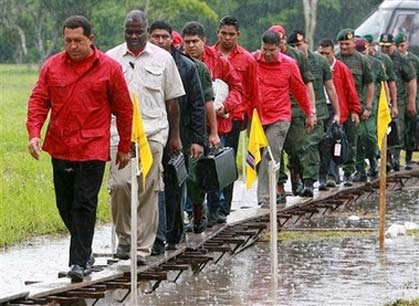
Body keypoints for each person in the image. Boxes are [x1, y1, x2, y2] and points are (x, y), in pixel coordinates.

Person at [26, 15, 133, 282]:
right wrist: (34, 134)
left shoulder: (109, 68)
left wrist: (124, 146)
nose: (72, 46)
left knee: (84, 203)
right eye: (68, 41)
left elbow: (124, 109)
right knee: (65, 204)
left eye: (78, 41)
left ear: (91, 40)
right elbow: (39, 101)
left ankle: (78, 262)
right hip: (61, 145)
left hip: (93, 147)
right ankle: (84, 250)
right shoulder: (52, 67)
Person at [106, 10, 185, 263]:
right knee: (120, 185)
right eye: (129, 31)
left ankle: (142, 247)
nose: (134, 36)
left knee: (147, 189)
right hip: (120, 133)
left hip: (153, 132)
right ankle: (126, 238)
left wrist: (175, 136)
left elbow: (172, 101)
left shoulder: (163, 59)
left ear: (146, 30)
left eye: (138, 31)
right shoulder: (111, 58)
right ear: (123, 30)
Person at [147, 20, 207, 253]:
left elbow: (197, 105)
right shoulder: (142, 63)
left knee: (173, 184)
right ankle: (156, 237)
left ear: (172, 39)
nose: (160, 41)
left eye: (165, 37)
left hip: (179, 134)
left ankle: (173, 232)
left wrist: (197, 140)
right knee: (152, 187)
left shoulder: (186, 67)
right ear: (149, 37)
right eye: (156, 37)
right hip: (150, 133)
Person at [182, 21, 243, 227]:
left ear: (204, 41)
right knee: (192, 173)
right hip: (190, 127)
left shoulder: (219, 61)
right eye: (187, 42)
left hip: (217, 124)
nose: (191, 46)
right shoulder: (179, 63)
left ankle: (217, 208)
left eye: (195, 41)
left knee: (214, 170)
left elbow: (237, 89)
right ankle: (194, 213)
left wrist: (226, 107)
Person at [253, 30, 315, 208]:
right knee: (257, 155)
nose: (268, 54)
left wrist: (309, 113)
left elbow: (300, 91)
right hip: (257, 117)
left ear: (280, 47)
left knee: (270, 154)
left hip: (279, 116)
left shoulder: (289, 64)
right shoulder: (253, 61)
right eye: (265, 49)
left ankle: (266, 196)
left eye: (272, 50)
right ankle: (267, 190)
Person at [212, 16, 259, 218]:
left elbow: (252, 91)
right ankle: (210, 205)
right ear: (218, 33)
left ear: (238, 35)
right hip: (211, 116)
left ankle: (224, 207)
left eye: (232, 34)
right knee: (211, 161)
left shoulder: (247, 59)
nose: (228, 38)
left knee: (228, 161)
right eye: (224, 33)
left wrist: (251, 120)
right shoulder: (209, 55)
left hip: (235, 117)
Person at [288, 30, 340, 196]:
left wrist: (337, 112)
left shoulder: (319, 61)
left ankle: (310, 181)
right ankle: (298, 176)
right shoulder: (288, 61)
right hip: (295, 112)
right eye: (294, 45)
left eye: (300, 44)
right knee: (296, 150)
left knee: (312, 145)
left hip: (318, 110)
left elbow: (330, 87)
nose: (298, 48)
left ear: (307, 43)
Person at [317, 39, 361, 188]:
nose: (324, 57)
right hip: (320, 108)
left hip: (337, 109)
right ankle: (324, 175)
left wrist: (355, 110)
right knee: (322, 142)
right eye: (321, 53)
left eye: (327, 53)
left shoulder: (341, 68)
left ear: (332, 52)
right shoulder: (315, 66)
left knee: (335, 140)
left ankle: (336, 174)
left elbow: (350, 90)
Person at [335, 28, 374, 186]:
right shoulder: (335, 59)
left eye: (347, 43)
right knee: (334, 140)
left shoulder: (362, 60)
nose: (344, 47)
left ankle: (349, 172)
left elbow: (369, 84)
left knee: (353, 140)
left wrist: (368, 106)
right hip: (337, 106)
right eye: (342, 44)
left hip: (354, 107)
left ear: (353, 43)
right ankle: (334, 172)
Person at [379, 33, 417, 171]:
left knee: (397, 129)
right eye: (382, 46)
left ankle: (395, 157)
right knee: (384, 129)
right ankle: (386, 158)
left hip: (399, 99)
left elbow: (412, 79)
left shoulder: (401, 59)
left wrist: (411, 101)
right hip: (382, 100)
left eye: (387, 47)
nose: (384, 49)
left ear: (393, 45)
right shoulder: (379, 58)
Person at [353, 38, 389, 181]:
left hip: (372, 106)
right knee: (358, 137)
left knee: (370, 136)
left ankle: (373, 159)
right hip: (355, 106)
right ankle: (360, 169)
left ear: (368, 49)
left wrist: (388, 103)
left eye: (363, 50)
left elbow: (384, 83)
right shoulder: (351, 63)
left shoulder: (376, 64)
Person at [395, 32, 419, 169]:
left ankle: (409, 158)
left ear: (407, 45)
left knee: (411, 128)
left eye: (402, 45)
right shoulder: (393, 59)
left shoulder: (414, 60)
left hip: (411, 98)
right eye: (397, 46)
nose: (400, 48)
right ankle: (396, 159)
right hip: (398, 98)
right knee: (398, 129)